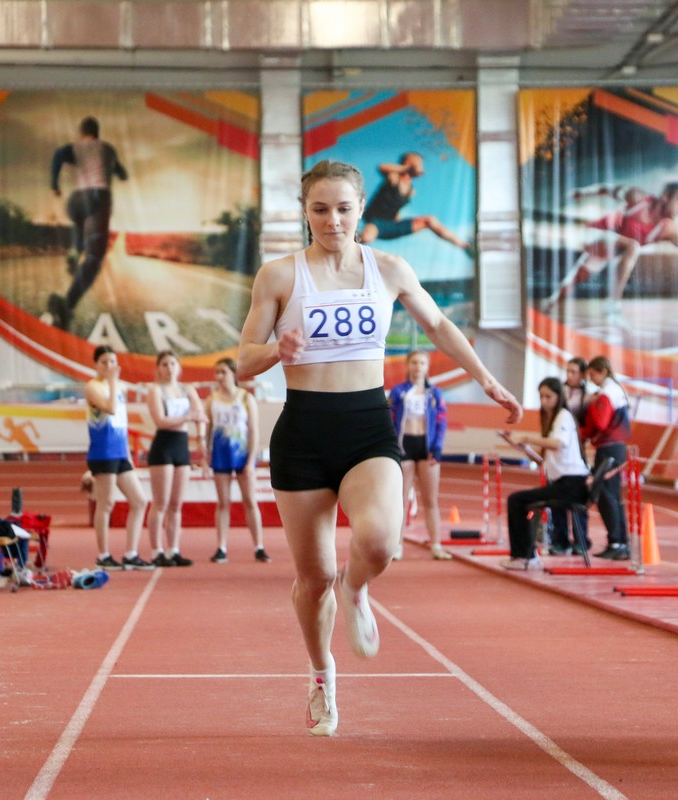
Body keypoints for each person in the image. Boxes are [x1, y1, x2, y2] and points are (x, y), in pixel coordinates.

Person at [237, 159, 522, 737]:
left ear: (362, 209)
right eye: (320, 209)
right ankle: (322, 675)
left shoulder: (388, 269)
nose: (333, 221)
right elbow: (243, 361)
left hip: (367, 426)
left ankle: (357, 587)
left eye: (343, 209)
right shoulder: (279, 276)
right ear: (305, 212)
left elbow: (439, 326)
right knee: (313, 577)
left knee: (380, 541)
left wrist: (488, 379)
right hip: (303, 432)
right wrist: (276, 351)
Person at [544, 182, 678, 322]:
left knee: (576, 278)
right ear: (665, 197)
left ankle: (550, 302)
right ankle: (613, 306)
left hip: (608, 250)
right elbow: (608, 189)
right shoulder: (638, 198)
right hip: (594, 233)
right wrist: (582, 192)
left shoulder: (666, 229)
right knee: (633, 247)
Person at [44, 116, 128, 333]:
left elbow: (58, 155)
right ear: (97, 132)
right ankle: (67, 305)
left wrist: (54, 184)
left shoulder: (76, 147)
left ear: (82, 132)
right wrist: (119, 173)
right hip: (97, 198)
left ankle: (74, 251)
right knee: (95, 257)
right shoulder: (108, 149)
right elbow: (121, 173)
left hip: (76, 200)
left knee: (81, 226)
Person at [499, 378, 590, 569]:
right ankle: (527, 555)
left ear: (559, 397)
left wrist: (527, 437)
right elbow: (544, 460)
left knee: (516, 501)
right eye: (541, 396)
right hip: (561, 483)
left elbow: (558, 443)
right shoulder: (553, 420)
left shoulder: (563, 416)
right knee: (518, 501)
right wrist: (523, 448)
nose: (544, 401)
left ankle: (524, 556)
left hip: (572, 484)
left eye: (548, 396)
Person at [84, 345, 153, 571]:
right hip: (103, 453)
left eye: (113, 362)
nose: (109, 366)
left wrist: (128, 455)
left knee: (139, 501)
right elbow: (111, 408)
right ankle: (103, 555)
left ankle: (131, 553)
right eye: (104, 362)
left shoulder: (118, 386)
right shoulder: (93, 387)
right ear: (96, 365)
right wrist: (113, 382)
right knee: (106, 504)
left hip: (120, 451)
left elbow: (122, 421)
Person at [202, 357, 270, 564]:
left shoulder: (246, 398)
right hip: (221, 454)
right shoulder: (212, 400)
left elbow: (253, 430)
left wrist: (250, 460)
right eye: (217, 372)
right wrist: (205, 457)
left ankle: (259, 546)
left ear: (233, 373)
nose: (219, 376)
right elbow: (207, 431)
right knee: (223, 502)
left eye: (223, 372)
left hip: (242, 454)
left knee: (250, 500)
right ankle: (221, 547)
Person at [145, 350, 207, 567]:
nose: (169, 368)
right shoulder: (155, 390)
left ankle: (173, 549)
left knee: (176, 504)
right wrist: (187, 417)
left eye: (172, 363)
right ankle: (156, 551)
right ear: (158, 368)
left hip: (182, 446)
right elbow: (161, 421)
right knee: (160, 503)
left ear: (178, 367)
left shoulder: (187, 389)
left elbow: (200, 415)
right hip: (163, 446)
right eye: (164, 364)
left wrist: (201, 438)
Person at [388, 350, 451, 561]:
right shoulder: (398, 392)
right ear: (407, 366)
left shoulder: (435, 393)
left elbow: (441, 421)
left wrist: (438, 447)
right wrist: (392, 445)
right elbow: (390, 418)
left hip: (427, 447)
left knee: (430, 499)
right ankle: (397, 545)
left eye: (422, 363)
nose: (418, 366)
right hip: (404, 446)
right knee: (401, 499)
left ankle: (436, 545)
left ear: (427, 367)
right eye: (414, 362)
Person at [360, 152, 472, 254]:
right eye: (419, 163)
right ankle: (352, 245)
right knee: (366, 237)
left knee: (430, 220)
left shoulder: (411, 191)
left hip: (392, 225)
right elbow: (381, 167)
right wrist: (407, 168)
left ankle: (466, 246)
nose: (421, 166)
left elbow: (396, 208)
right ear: (409, 163)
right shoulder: (393, 177)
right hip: (375, 222)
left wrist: (398, 222)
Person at [581, 355, 632, 560]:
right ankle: (620, 542)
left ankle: (617, 542)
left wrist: (592, 406)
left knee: (605, 496)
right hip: (615, 447)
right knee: (612, 496)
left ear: (602, 372)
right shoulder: (615, 390)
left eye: (592, 374)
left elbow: (601, 423)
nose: (591, 379)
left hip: (609, 448)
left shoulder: (606, 393)